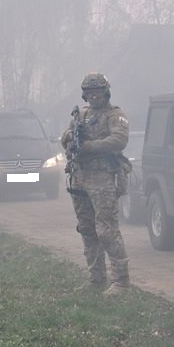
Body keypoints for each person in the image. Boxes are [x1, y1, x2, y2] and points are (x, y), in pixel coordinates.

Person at [60, 72, 131, 295]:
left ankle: (121, 281)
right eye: (90, 93)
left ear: (105, 92)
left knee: (107, 230)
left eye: (98, 92)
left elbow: (119, 140)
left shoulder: (115, 115)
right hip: (80, 177)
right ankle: (96, 278)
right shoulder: (80, 115)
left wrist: (90, 146)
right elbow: (65, 137)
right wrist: (70, 137)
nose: (94, 97)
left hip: (102, 177)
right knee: (87, 230)